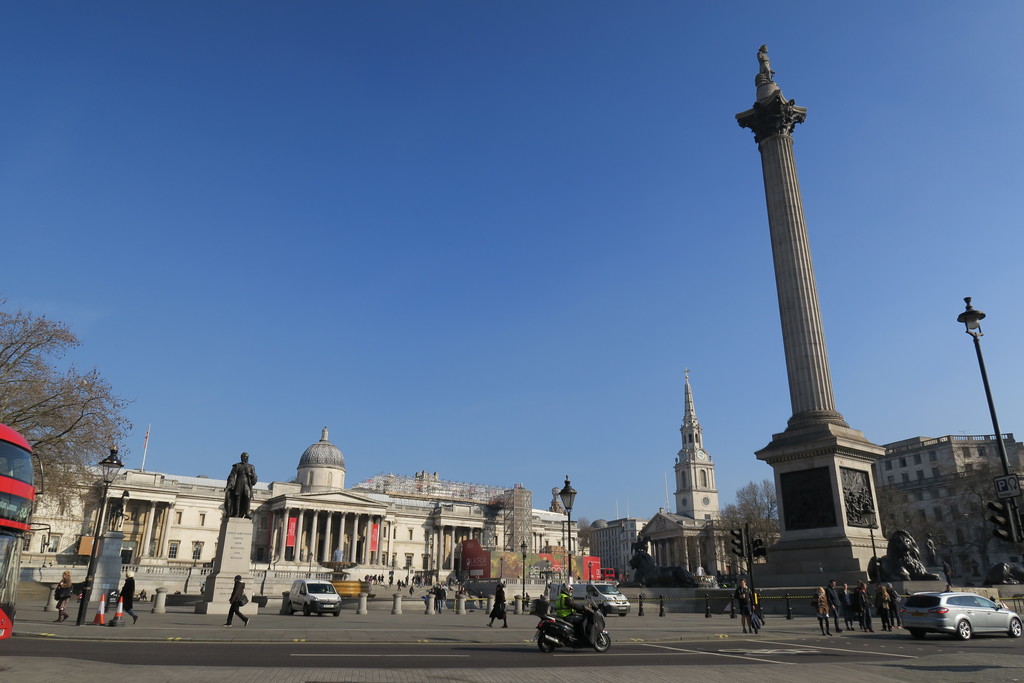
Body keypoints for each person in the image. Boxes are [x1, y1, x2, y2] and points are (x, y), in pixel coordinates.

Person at [224, 452, 258, 519]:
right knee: (238, 498)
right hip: (239, 483)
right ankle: (236, 513)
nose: (244, 458)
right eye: (243, 457)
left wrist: (251, 475)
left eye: (245, 457)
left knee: (247, 499)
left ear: (248, 458)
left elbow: (255, 477)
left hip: (247, 485)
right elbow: (232, 476)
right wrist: (230, 484)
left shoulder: (251, 466)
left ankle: (247, 513)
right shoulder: (237, 466)